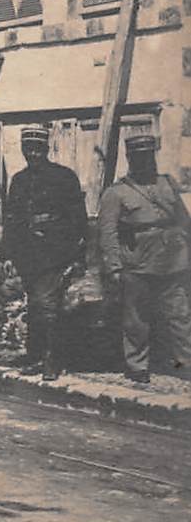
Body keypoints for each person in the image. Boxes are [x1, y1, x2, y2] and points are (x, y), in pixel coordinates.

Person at [98, 134, 191, 384]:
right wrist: (114, 267)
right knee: (136, 319)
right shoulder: (116, 193)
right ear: (130, 159)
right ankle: (137, 365)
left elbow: (184, 220)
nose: (145, 162)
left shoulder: (167, 184)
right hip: (137, 263)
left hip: (174, 260)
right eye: (139, 157)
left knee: (180, 314)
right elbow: (107, 232)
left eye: (148, 157)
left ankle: (186, 362)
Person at [2, 124, 87, 381]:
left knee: (46, 304)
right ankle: (35, 353)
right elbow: (12, 218)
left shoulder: (63, 177)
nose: (33, 154)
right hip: (28, 253)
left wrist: (67, 248)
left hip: (54, 252)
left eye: (37, 149)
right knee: (35, 304)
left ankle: (51, 357)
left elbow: (77, 219)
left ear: (46, 148)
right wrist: (9, 253)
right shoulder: (19, 180)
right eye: (28, 149)